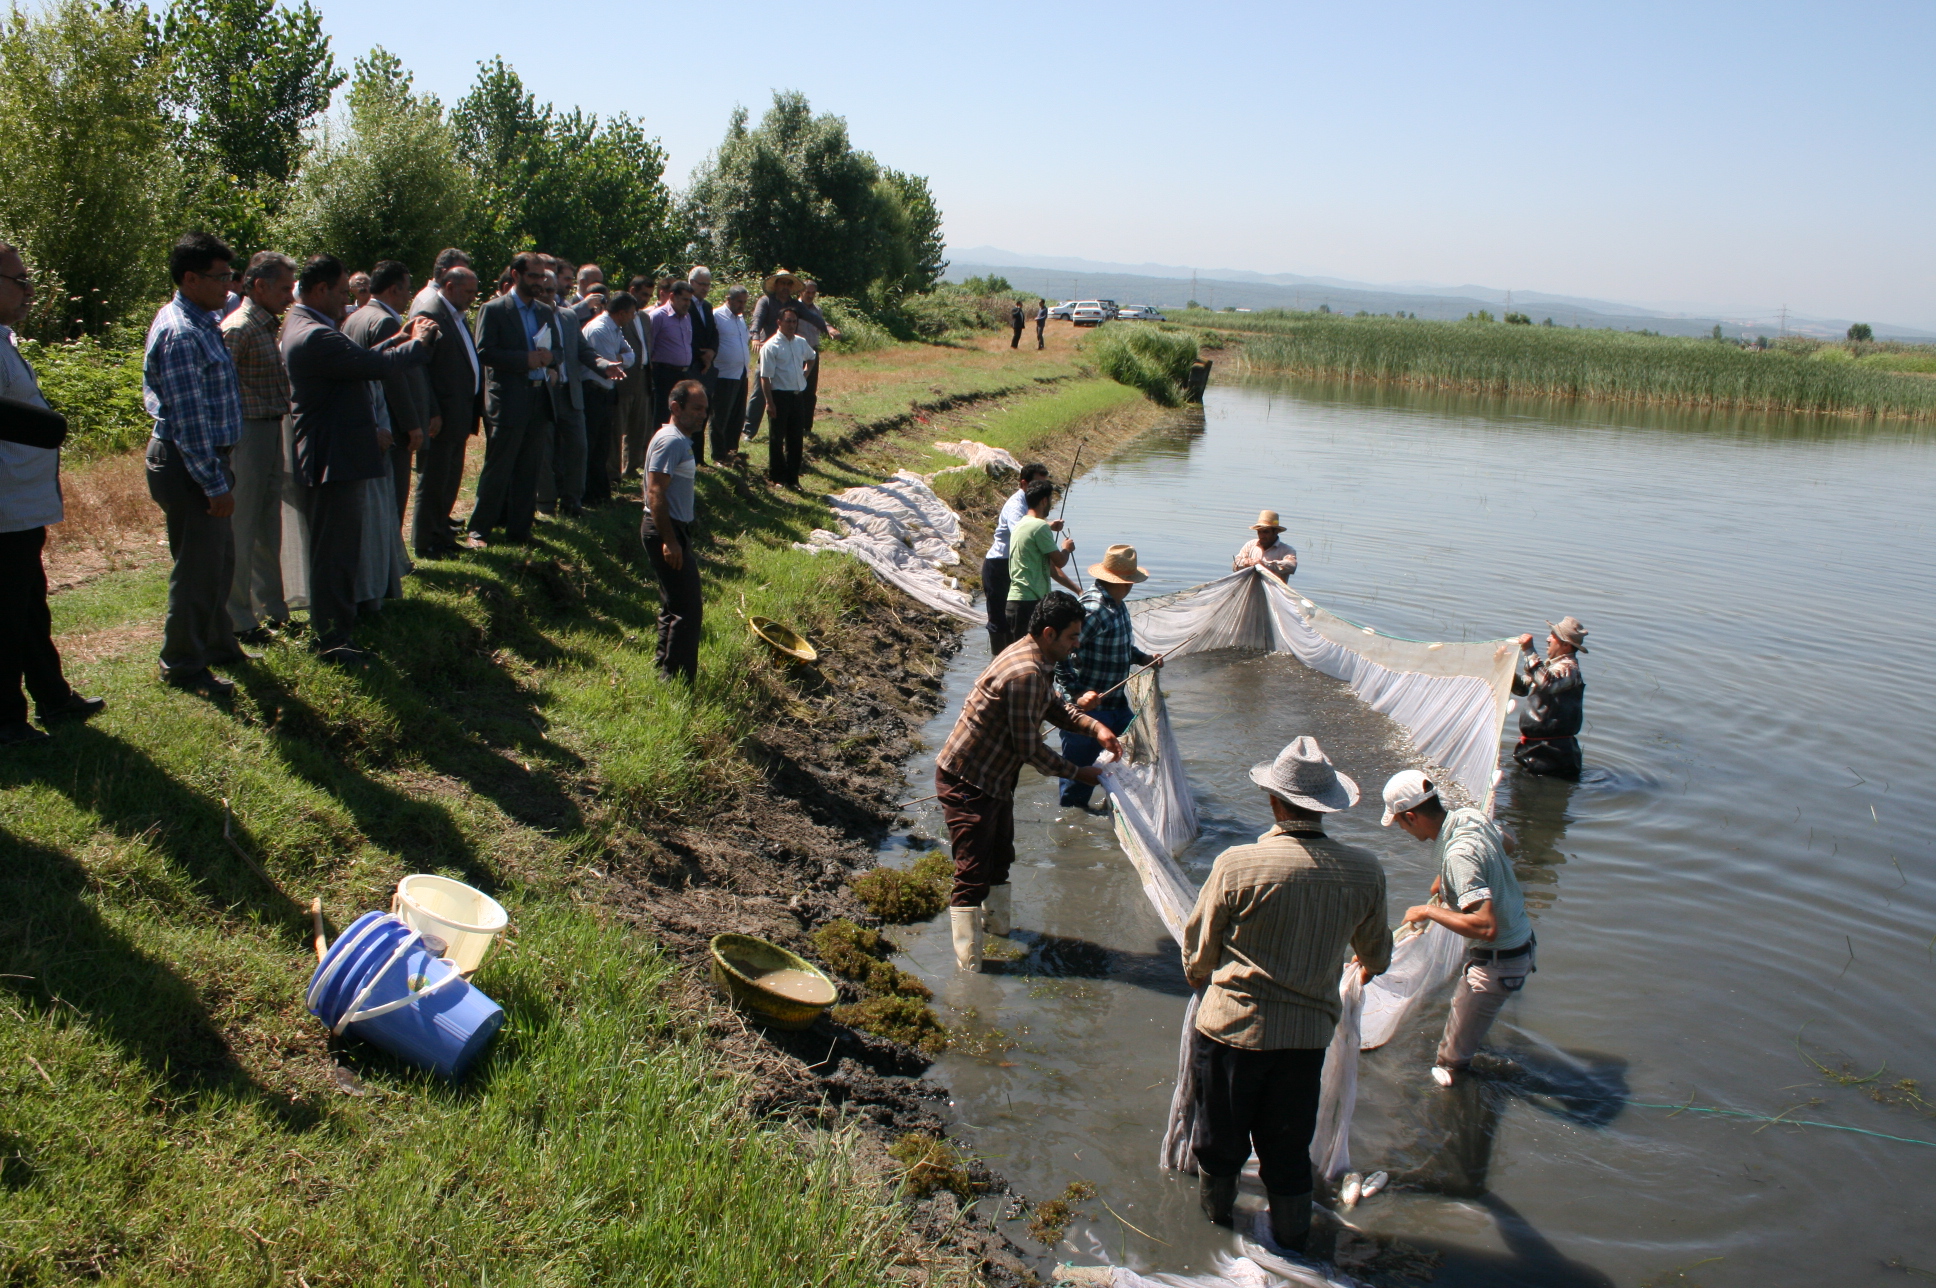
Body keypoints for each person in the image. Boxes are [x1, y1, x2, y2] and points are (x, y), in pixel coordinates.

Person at [1182, 737, 1390, 1250]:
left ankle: (1213, 1235)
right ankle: (1295, 1245)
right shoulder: (1366, 871)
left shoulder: (1237, 865)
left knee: (1219, 1144)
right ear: (1328, 809)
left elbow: (1198, 956)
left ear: (1273, 800)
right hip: (1304, 1041)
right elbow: (1377, 958)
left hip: (1230, 1031)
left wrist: (1202, 975)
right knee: (1288, 1151)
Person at [934, 591, 1121, 970]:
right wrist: (1080, 773)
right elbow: (1031, 750)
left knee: (1001, 857)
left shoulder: (1037, 656)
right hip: (968, 778)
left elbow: (1053, 707)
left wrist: (1094, 727)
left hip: (995, 778)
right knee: (972, 870)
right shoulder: (1025, 674)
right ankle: (971, 973)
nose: (1077, 644)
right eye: (1072, 637)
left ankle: (998, 932)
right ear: (1049, 633)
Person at [282, 255, 435, 663]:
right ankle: (332, 640)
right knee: (335, 554)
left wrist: (401, 336)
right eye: (340, 291)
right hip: (334, 458)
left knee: (337, 550)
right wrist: (418, 345)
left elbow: (360, 357)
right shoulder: (314, 335)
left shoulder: (307, 327)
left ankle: (337, 632)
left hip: (334, 455)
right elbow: (373, 365)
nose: (349, 299)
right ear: (319, 291)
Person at [0, 241, 104, 745]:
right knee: (6, 612)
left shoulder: (5, 339)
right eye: (18, 281)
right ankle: (4, 719)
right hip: (3, 505)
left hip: (20, 503)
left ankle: (53, 697)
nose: (28, 290)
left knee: (28, 606)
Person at [143, 232, 248, 695]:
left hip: (204, 461)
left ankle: (219, 645)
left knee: (219, 561)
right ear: (190, 278)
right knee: (197, 570)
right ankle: (182, 664)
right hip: (191, 464)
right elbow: (189, 422)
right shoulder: (181, 333)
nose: (228, 286)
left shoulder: (202, 318)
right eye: (219, 277)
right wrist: (213, 484)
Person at [1382, 770, 1534, 1087]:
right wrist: (1449, 881)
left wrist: (1429, 910)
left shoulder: (1459, 855)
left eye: (1398, 822)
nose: (1400, 829)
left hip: (1497, 963)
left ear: (1411, 816)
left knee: (1450, 1061)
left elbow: (1485, 926)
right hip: (1520, 943)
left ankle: (1450, 1109)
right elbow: (1509, 845)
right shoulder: (1468, 817)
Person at [219, 250, 297, 644]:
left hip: (268, 428)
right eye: (284, 288)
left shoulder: (265, 325)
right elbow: (220, 385)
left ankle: (273, 609)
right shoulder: (240, 327)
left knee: (269, 525)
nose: (290, 296)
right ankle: (238, 618)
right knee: (242, 525)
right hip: (247, 434)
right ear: (260, 286)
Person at [1054, 544, 1160, 810]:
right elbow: (1059, 654)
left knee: (1131, 760)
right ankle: (1071, 828)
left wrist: (1142, 658)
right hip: (1086, 711)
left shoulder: (1118, 604)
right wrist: (1077, 693)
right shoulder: (1093, 609)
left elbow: (1120, 646)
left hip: (1115, 704)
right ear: (1125, 583)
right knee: (1080, 777)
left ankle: (1116, 809)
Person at [468, 253, 560, 545]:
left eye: (542, 277)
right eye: (533, 276)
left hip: (538, 398)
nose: (539, 282)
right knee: (499, 468)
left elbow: (557, 348)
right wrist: (525, 360)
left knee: (528, 469)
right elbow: (484, 351)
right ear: (516, 275)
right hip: (507, 400)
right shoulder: (494, 309)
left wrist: (550, 358)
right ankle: (479, 531)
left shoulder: (544, 311)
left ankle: (520, 531)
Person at [342, 261, 432, 537]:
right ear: (394, 289)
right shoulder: (385, 321)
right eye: (406, 289)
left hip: (367, 421)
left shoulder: (356, 316)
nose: (409, 296)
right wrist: (411, 424)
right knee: (392, 496)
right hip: (389, 424)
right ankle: (391, 560)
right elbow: (393, 376)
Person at [407, 264, 482, 557]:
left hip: (459, 412)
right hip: (441, 415)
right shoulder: (431, 313)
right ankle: (425, 542)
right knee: (434, 479)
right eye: (468, 292)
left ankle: (442, 534)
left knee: (449, 479)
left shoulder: (457, 315)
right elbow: (420, 368)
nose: (472, 298)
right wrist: (432, 410)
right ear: (450, 287)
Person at [641, 379, 709, 683]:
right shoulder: (671, 441)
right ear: (675, 407)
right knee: (688, 608)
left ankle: (664, 667)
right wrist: (670, 541)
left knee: (674, 603)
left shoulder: (677, 439)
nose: (702, 415)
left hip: (672, 529)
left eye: (705, 410)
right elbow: (656, 493)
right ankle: (676, 680)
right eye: (696, 409)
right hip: (665, 529)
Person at [978, 461, 1051, 656]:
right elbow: (1020, 530)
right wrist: (1047, 527)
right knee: (999, 619)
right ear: (1024, 484)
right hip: (999, 564)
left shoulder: (1032, 507)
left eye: (1044, 485)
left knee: (1015, 619)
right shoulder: (1017, 504)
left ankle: (1011, 657)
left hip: (1013, 562)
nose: (1040, 489)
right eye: (1037, 484)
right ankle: (997, 662)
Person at [579, 290, 639, 506]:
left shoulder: (616, 329)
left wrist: (619, 358)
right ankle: (587, 495)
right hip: (592, 392)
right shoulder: (600, 328)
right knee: (591, 445)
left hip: (606, 393)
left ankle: (600, 493)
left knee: (603, 446)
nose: (634, 317)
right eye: (632, 313)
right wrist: (619, 358)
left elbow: (630, 357)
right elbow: (607, 363)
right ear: (621, 313)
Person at [1005, 479, 1080, 643]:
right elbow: (1060, 562)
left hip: (1017, 602)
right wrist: (1066, 548)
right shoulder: (1040, 527)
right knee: (1034, 655)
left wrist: (1078, 591)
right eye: (1050, 500)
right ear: (1044, 500)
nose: (1050, 505)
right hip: (1029, 603)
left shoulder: (1021, 524)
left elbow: (1052, 570)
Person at [1512, 617, 1588, 778]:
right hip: (1537, 748)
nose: (1548, 639)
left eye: (1553, 635)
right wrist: (1503, 668)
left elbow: (1547, 682)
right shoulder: (1551, 666)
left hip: (1553, 754)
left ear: (1566, 644)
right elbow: (1523, 688)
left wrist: (1529, 650)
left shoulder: (1569, 668)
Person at [758, 304, 814, 487]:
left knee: (796, 438)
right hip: (779, 396)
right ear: (779, 322)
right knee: (777, 438)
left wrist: (804, 374)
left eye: (794, 321)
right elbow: (765, 377)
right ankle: (777, 477)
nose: (791, 325)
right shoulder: (771, 346)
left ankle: (793, 478)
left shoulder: (800, 342)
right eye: (788, 321)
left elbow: (812, 357)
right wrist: (769, 402)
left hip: (797, 396)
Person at [741, 270, 800, 441]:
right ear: (776, 285)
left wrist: (828, 327)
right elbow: (757, 320)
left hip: (787, 352)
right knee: (760, 391)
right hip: (768, 351)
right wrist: (755, 338)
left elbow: (812, 316)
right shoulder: (766, 301)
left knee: (787, 392)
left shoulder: (794, 305)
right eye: (782, 283)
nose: (785, 287)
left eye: (789, 284)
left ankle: (785, 429)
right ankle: (748, 431)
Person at [613, 274, 655, 480]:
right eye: (643, 294)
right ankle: (612, 472)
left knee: (639, 426)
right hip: (623, 377)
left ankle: (631, 468)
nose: (646, 299)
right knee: (618, 426)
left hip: (643, 376)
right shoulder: (620, 317)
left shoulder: (646, 318)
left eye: (649, 295)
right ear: (632, 291)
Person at [709, 285, 750, 464]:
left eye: (744, 302)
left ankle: (731, 451)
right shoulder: (717, 316)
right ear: (729, 299)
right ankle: (718, 454)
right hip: (723, 374)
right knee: (720, 416)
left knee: (737, 416)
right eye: (739, 301)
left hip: (741, 374)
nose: (742, 305)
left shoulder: (740, 319)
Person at [647, 280, 695, 433]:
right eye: (685, 299)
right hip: (663, 375)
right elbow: (649, 348)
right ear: (672, 297)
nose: (688, 304)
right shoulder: (657, 316)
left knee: (680, 415)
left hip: (683, 373)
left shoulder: (687, 317)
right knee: (662, 416)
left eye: (690, 300)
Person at [793, 280, 840, 430]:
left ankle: (807, 427)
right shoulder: (794, 307)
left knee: (810, 390)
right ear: (801, 292)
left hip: (812, 352)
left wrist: (831, 330)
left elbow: (822, 323)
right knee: (796, 389)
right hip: (797, 353)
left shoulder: (817, 310)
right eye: (808, 292)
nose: (810, 295)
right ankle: (795, 425)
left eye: (813, 293)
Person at [685, 268, 720, 450]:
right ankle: (688, 452)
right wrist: (702, 355)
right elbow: (686, 335)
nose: (705, 288)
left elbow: (714, 332)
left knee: (703, 411)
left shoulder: (706, 306)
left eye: (708, 284)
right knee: (690, 410)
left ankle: (698, 455)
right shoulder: (684, 305)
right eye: (702, 284)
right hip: (691, 363)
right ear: (691, 282)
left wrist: (712, 352)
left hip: (706, 366)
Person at [1233, 509, 1297, 579]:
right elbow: (1235, 564)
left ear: (1275, 532)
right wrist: (1247, 563)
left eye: (1266, 532)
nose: (1261, 536)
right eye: (1259, 532)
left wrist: (1264, 564)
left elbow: (1291, 566)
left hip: (1272, 589)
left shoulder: (1286, 550)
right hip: (1251, 589)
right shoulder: (1250, 545)